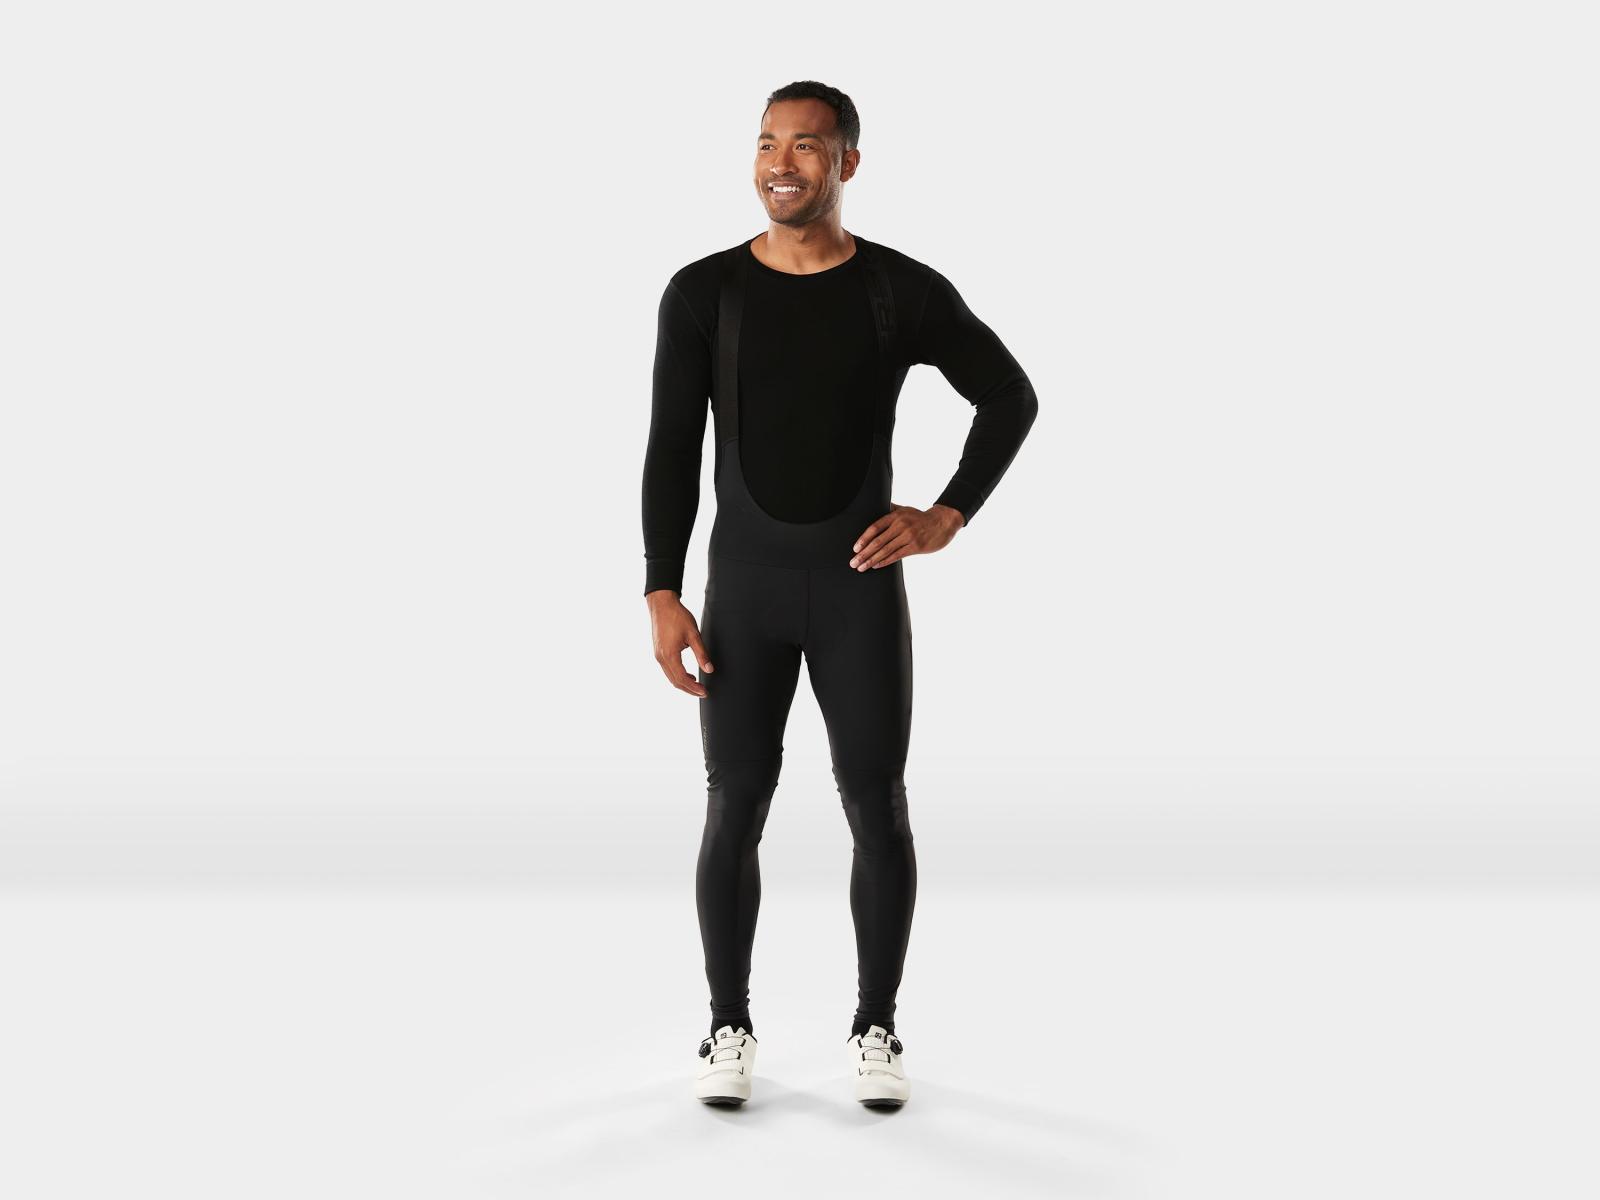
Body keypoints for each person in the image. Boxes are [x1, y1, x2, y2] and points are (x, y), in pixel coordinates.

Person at [642, 80, 1039, 1109]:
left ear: (847, 163)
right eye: (767, 143)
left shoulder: (898, 291)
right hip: (744, 594)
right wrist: (661, 590)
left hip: (857, 591)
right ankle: (727, 1025)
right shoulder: (704, 293)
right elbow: (671, 449)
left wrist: (946, 515)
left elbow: (1009, 395)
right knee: (733, 808)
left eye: (807, 146)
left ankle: (876, 1026)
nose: (782, 163)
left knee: (876, 806)